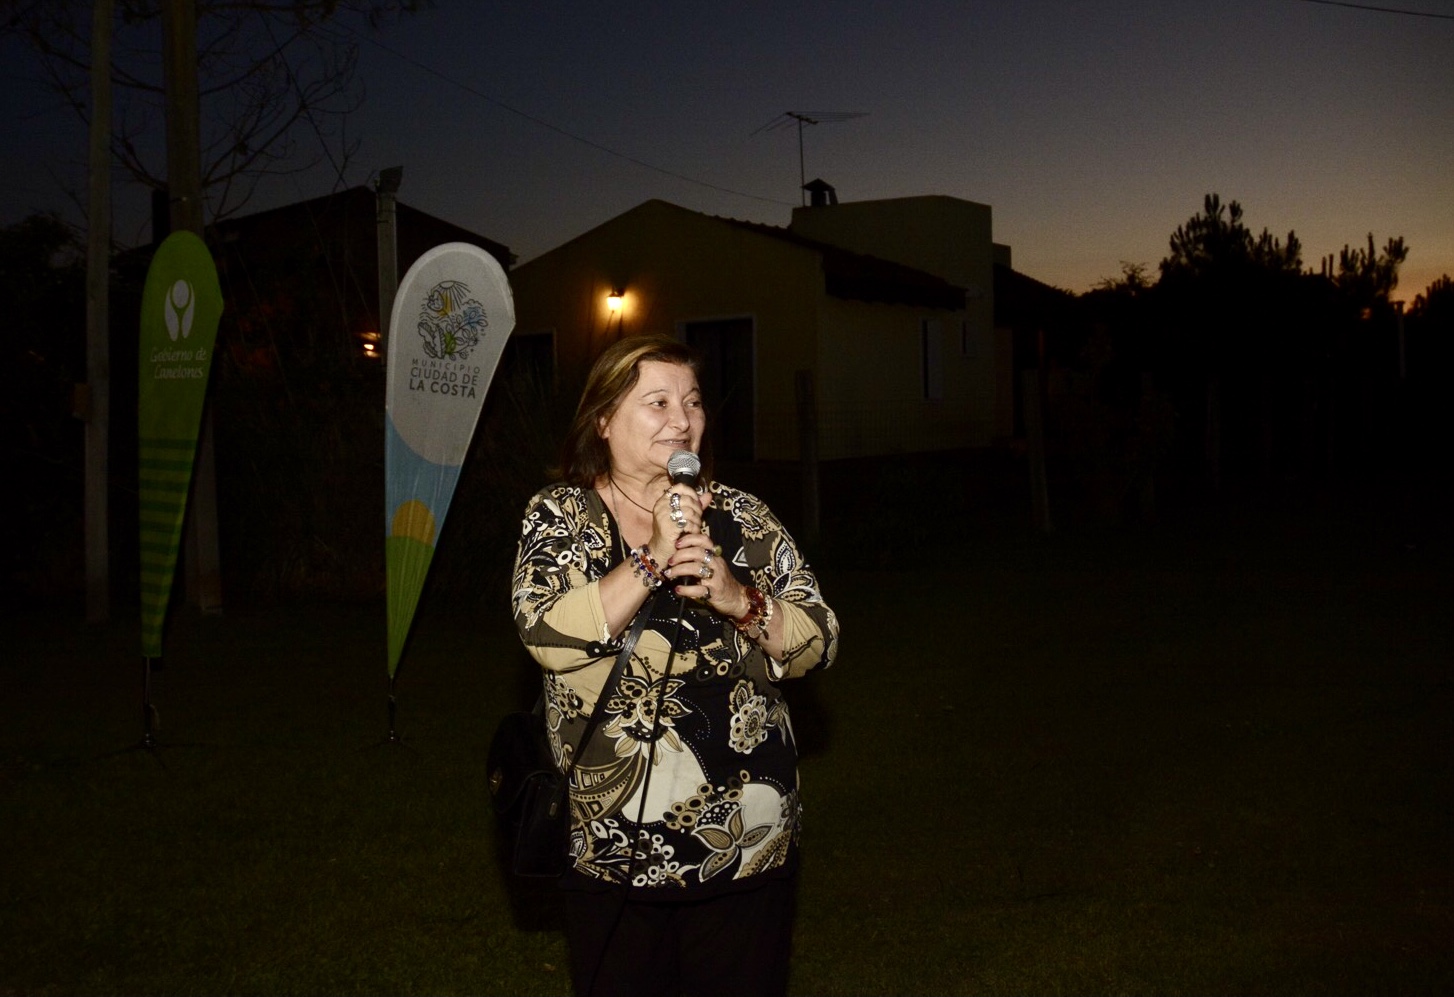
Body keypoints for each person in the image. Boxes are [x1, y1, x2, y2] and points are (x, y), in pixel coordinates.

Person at [511, 333, 839, 996]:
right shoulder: (562, 516)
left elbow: (819, 640)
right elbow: (544, 631)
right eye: (656, 402)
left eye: (691, 402)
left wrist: (734, 595)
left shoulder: (743, 517)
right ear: (603, 420)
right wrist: (650, 558)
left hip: (746, 845)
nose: (682, 419)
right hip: (612, 853)